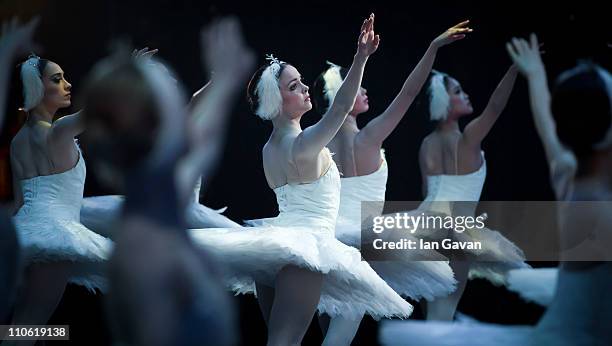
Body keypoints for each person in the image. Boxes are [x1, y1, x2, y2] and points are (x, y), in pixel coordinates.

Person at [190, 14, 411, 346]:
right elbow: (340, 108)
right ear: (276, 100)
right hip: (304, 249)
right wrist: (360, 57)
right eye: (294, 86)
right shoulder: (302, 144)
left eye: (302, 81)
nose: (306, 88)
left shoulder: (269, 149)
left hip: (273, 246)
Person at [81, 17, 252, 346]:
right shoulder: (143, 249)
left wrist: (226, 83)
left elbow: (204, 146)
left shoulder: (160, 201)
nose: (186, 107)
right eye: (176, 103)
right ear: (159, 130)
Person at [310, 20, 473, 345]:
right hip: (360, 241)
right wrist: (433, 47)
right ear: (341, 95)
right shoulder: (367, 138)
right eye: (357, 88)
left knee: (331, 333)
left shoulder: (315, 142)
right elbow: (409, 92)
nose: (365, 90)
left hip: (323, 239)